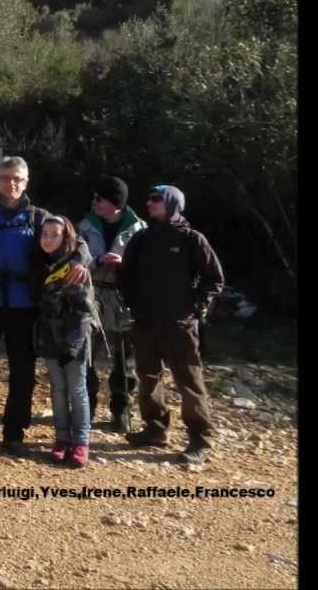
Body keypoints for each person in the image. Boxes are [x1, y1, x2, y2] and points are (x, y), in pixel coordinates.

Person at [0, 156, 91, 459]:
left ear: (26, 182)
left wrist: (79, 261)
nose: (10, 183)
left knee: (23, 373)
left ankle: (14, 434)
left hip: (25, 307)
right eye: (4, 178)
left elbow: (76, 242)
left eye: (16, 178)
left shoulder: (39, 217)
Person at [119, 185, 225, 465]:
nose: (149, 203)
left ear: (173, 204)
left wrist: (198, 307)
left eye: (156, 199)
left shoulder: (192, 239)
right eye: (150, 198)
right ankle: (155, 429)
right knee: (148, 376)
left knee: (189, 381)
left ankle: (201, 438)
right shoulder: (142, 238)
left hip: (179, 324)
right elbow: (126, 275)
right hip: (145, 322)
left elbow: (214, 279)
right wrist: (134, 304)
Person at [77, 175, 145, 433]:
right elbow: (73, 258)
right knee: (86, 356)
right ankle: (87, 409)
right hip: (91, 294)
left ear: (114, 202)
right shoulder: (84, 226)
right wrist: (97, 262)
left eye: (99, 198)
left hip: (122, 297)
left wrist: (124, 265)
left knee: (124, 359)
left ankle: (121, 410)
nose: (94, 202)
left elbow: (147, 267)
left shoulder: (139, 229)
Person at [34, 217, 98, 468]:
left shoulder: (74, 267)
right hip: (49, 338)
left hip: (75, 341)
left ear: (66, 238)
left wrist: (72, 345)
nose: (48, 239)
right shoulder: (41, 264)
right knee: (57, 390)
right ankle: (61, 439)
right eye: (44, 234)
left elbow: (84, 311)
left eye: (54, 235)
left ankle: (81, 441)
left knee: (77, 390)